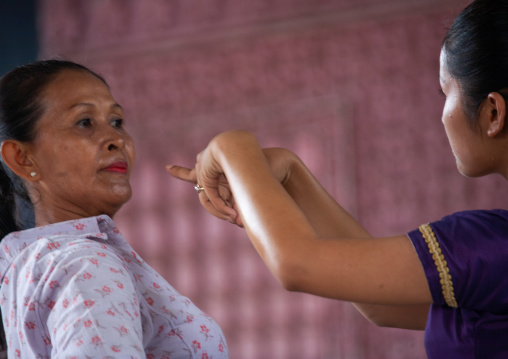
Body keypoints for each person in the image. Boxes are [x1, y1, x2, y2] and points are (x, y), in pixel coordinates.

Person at [167, 0, 508, 357]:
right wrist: (291, 172)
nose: (441, 116)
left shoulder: (491, 242)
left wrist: (230, 146)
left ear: (493, 112)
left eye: (445, 93)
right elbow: (384, 306)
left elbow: (297, 263)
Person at [0, 60, 228, 358]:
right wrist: (236, 148)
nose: (117, 140)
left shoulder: (38, 265)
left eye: (117, 122)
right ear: (22, 158)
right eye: (84, 122)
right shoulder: (84, 264)